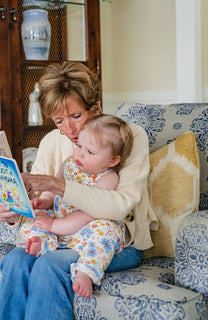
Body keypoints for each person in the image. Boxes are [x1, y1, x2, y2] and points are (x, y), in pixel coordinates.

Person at [0, 62, 158, 320]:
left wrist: (54, 185)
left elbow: (118, 206)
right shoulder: (52, 142)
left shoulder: (128, 137)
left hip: (108, 243)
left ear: (96, 107)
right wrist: (12, 211)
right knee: (16, 260)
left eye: (76, 116)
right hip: (61, 237)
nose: (69, 130)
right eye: (59, 120)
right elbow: (41, 202)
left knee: (48, 265)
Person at [18, 114, 133, 299]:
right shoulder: (69, 164)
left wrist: (53, 225)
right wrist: (45, 201)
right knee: (36, 216)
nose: (80, 153)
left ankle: (86, 272)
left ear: (112, 160)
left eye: (90, 152)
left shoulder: (108, 179)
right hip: (61, 225)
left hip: (86, 231)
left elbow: (87, 215)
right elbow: (53, 187)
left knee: (106, 230)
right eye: (79, 146)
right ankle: (41, 243)